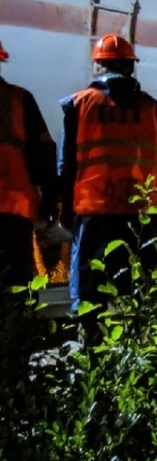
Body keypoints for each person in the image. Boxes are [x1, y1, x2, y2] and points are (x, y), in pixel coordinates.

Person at [59, 33, 157, 340]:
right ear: (130, 68)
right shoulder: (156, 111)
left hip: (93, 215)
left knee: (88, 297)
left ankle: (93, 364)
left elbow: (65, 165)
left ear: (97, 67)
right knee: (142, 296)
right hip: (141, 218)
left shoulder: (78, 105)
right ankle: (140, 366)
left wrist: (63, 211)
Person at [0, 40, 58, 292]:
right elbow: (44, 153)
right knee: (14, 288)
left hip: (15, 207)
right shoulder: (19, 99)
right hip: (14, 209)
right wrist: (49, 207)